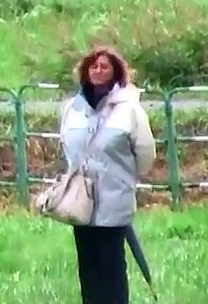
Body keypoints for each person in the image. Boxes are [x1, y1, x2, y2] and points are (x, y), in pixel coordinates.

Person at [57, 45, 157, 304]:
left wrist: (122, 177)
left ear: (115, 72)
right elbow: (67, 146)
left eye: (104, 66)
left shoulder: (130, 110)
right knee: (88, 269)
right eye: (93, 66)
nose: (98, 70)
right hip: (81, 203)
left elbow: (145, 155)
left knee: (111, 268)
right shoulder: (72, 108)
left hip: (114, 200)